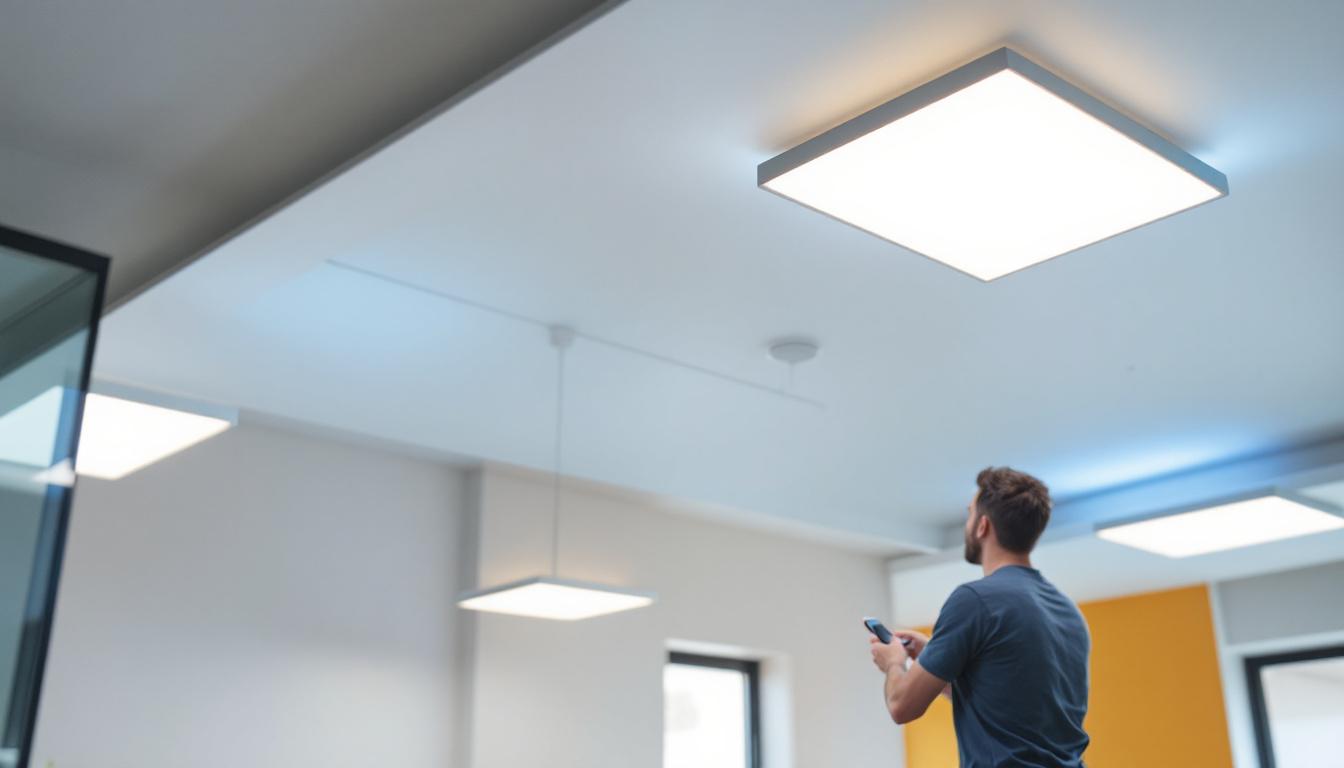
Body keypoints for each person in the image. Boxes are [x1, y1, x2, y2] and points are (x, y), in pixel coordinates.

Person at [869, 467, 1090, 767]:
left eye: (970, 513)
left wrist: (894, 662)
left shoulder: (974, 601)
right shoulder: (1069, 612)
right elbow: (1005, 704)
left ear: (983, 525)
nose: (967, 522)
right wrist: (936, 657)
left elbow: (901, 705)